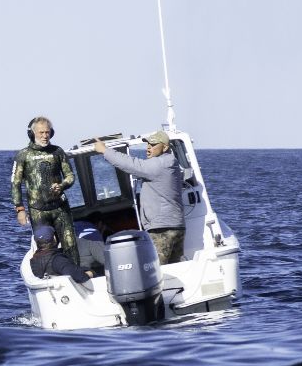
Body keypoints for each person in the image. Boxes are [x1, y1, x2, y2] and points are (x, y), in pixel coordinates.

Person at [93, 131, 185, 264]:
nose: (148, 147)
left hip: (162, 229)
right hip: (174, 226)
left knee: (156, 270)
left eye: (153, 144)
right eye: (147, 144)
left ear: (165, 147)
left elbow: (133, 164)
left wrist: (105, 151)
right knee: (175, 269)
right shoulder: (169, 163)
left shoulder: (160, 164)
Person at [11, 116, 78, 262]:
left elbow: (70, 176)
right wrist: (20, 209)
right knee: (45, 248)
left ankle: (76, 273)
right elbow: (15, 183)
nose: (44, 136)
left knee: (70, 245)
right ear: (33, 133)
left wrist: (62, 185)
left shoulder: (57, 152)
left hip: (60, 208)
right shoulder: (23, 155)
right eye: (41, 132)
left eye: (47, 132)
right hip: (38, 211)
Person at [29, 226, 94, 290]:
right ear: (54, 238)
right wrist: (90, 273)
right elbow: (80, 277)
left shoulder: (34, 259)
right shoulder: (58, 260)